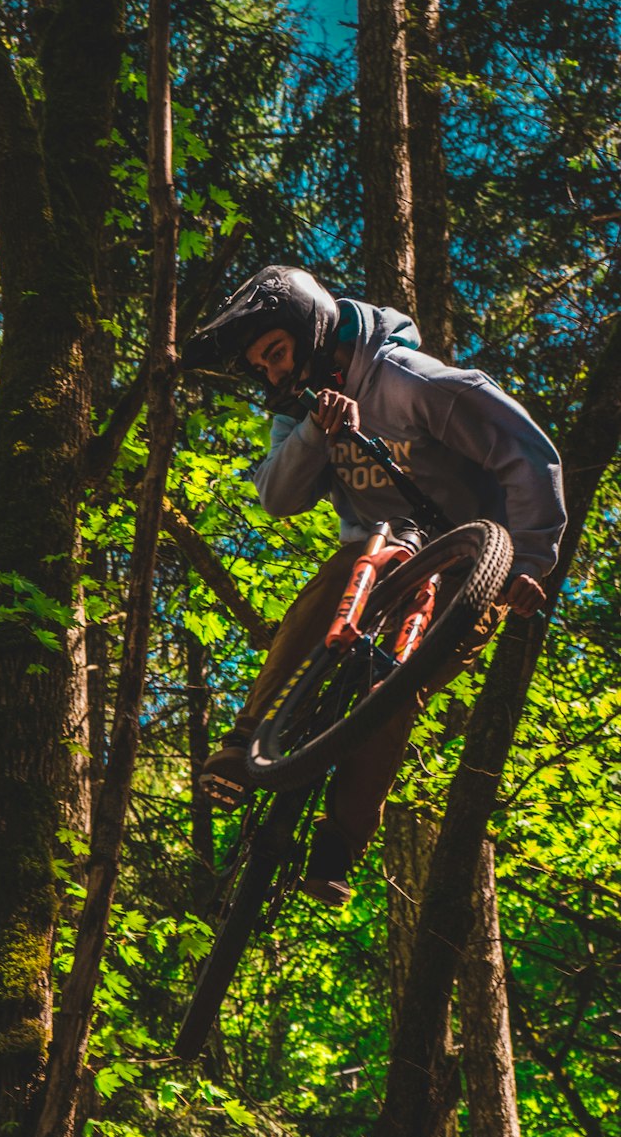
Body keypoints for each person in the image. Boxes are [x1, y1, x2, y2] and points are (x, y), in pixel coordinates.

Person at [181, 265, 567, 904]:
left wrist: (528, 563)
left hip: (474, 565)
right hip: (374, 555)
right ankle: (248, 736)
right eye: (263, 366)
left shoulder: (409, 383)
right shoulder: (302, 406)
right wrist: (314, 432)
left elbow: (525, 451)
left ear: (309, 331)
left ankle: (336, 849)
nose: (274, 374)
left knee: (397, 692)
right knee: (346, 568)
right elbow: (277, 496)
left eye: (276, 354)